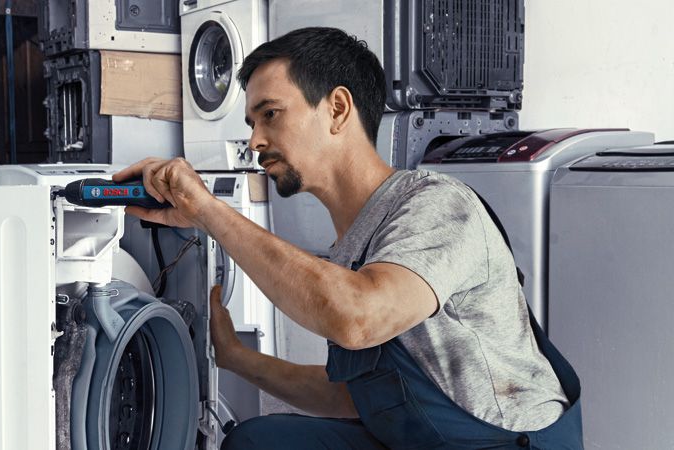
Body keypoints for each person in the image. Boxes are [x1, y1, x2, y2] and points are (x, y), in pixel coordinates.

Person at [114, 27, 582, 450]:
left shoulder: (437, 204)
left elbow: (357, 319)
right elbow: (360, 399)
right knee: (259, 443)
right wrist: (236, 358)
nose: (255, 140)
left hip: (506, 445)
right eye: (251, 124)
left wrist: (209, 212)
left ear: (337, 109)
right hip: (423, 439)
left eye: (270, 114)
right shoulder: (352, 245)